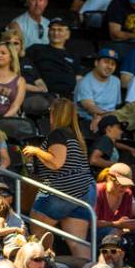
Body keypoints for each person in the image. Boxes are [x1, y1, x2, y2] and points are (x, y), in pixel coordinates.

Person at [24, 99, 94, 258]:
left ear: (54, 113)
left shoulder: (58, 134)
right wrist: (30, 162)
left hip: (62, 191)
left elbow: (56, 162)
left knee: (36, 237)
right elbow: (45, 170)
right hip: (85, 190)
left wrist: (36, 150)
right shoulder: (76, 138)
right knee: (77, 243)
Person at [26, 18, 80, 98]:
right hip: (43, 95)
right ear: (48, 33)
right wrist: (36, 78)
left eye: (60, 30)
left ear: (68, 34)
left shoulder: (73, 56)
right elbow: (22, 63)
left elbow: (79, 78)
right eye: (52, 30)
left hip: (68, 97)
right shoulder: (36, 49)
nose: (55, 33)